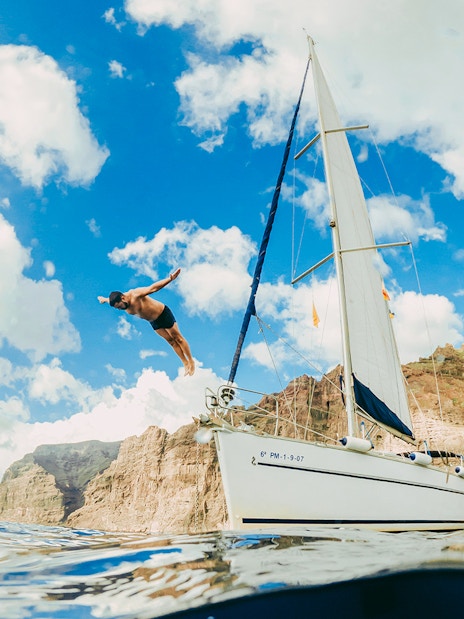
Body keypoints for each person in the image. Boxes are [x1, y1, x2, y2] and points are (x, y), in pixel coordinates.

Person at [98, 268, 195, 376]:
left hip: (163, 314)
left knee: (178, 339)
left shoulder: (135, 294)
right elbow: (109, 300)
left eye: (120, 306)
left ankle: (191, 360)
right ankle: (185, 363)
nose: (120, 309)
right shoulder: (118, 302)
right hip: (154, 322)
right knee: (171, 342)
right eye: (117, 308)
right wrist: (104, 299)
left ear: (123, 298)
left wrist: (170, 279)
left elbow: (153, 288)